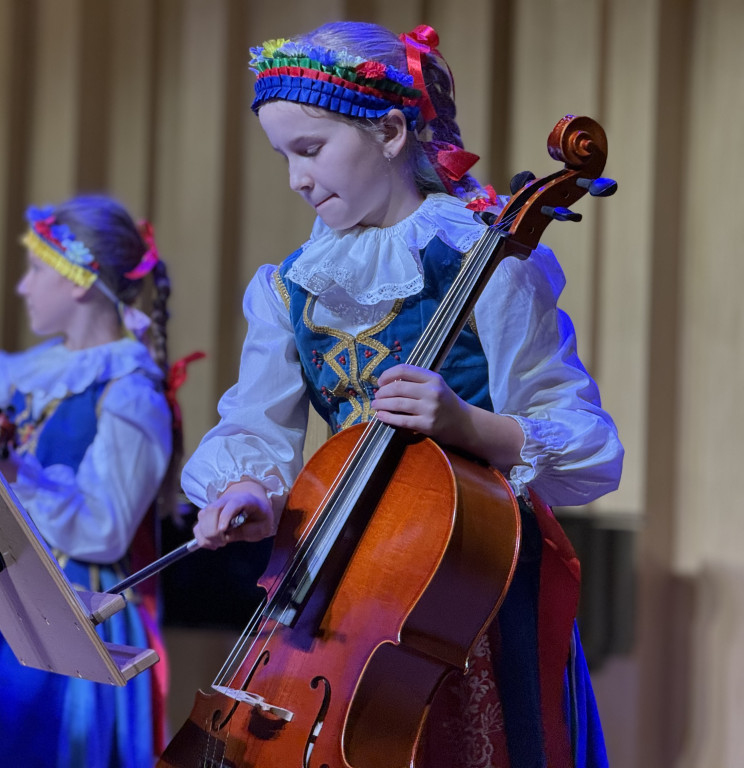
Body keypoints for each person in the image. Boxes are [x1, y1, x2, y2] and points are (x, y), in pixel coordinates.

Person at [181, 21, 623, 768]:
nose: (295, 177)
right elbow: (255, 425)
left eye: (310, 149)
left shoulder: (489, 260)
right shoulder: (290, 285)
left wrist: (467, 424)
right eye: (283, 154)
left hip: (468, 592)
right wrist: (251, 490)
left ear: (390, 131)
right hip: (339, 585)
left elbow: (584, 442)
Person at [0, 195, 176, 768]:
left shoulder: (130, 390)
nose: (23, 287)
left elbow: (103, 530)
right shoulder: (24, 374)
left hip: (69, 612)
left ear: (79, 279)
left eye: (36, 269)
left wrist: (12, 474)